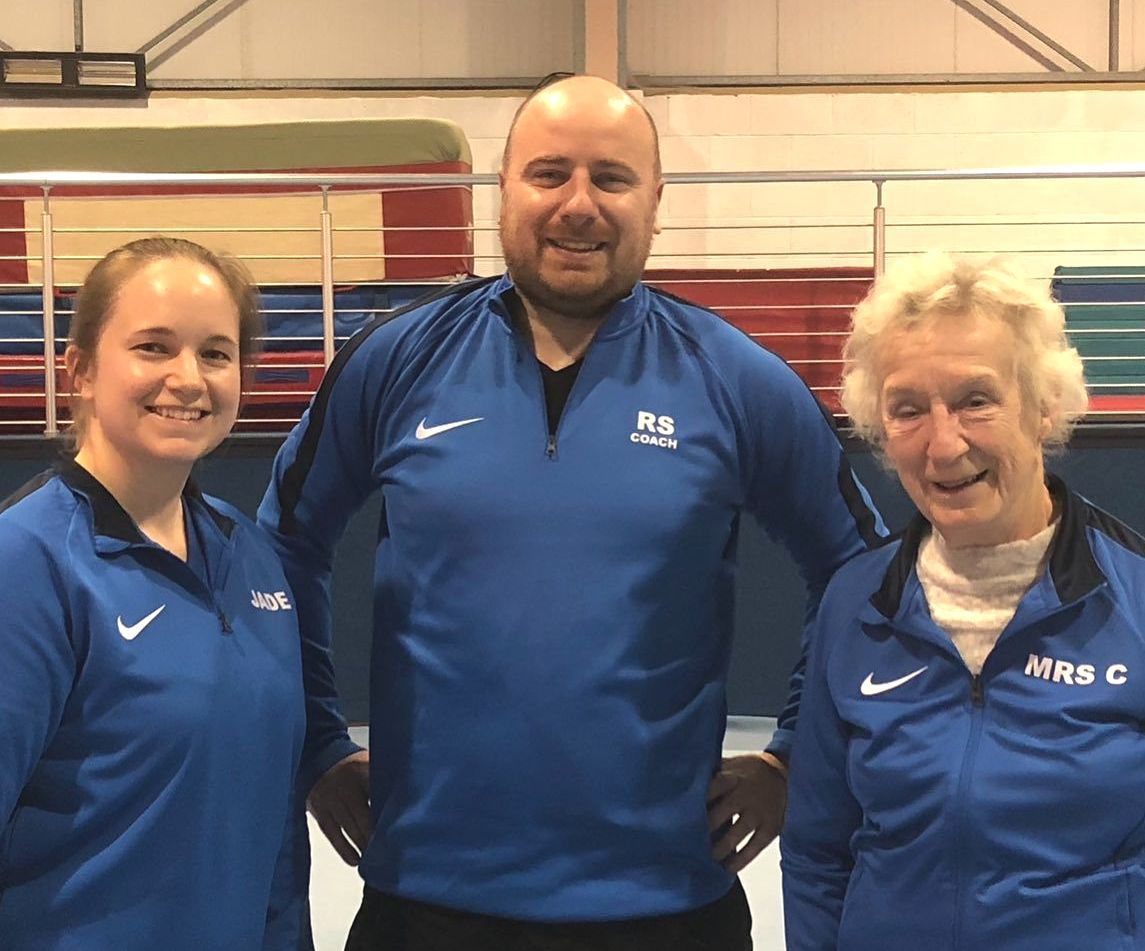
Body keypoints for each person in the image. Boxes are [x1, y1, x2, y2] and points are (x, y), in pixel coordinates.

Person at [259, 74, 884, 950]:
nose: (578, 205)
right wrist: (318, 742)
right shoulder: (394, 360)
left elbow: (863, 573)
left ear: (655, 202)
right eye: (548, 173)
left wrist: (792, 755)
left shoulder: (738, 379)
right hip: (427, 896)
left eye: (612, 178)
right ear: (501, 191)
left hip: (668, 902)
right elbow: (279, 552)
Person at [778, 252, 1145, 950]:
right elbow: (816, 852)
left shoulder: (1135, 597)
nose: (942, 444)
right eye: (907, 409)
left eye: (975, 399)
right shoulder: (854, 601)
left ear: (1042, 407)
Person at [0, 237, 309, 949]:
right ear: (78, 370)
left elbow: (271, 831)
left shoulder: (252, 555)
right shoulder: (30, 563)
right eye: (152, 346)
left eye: (215, 352)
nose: (187, 378)